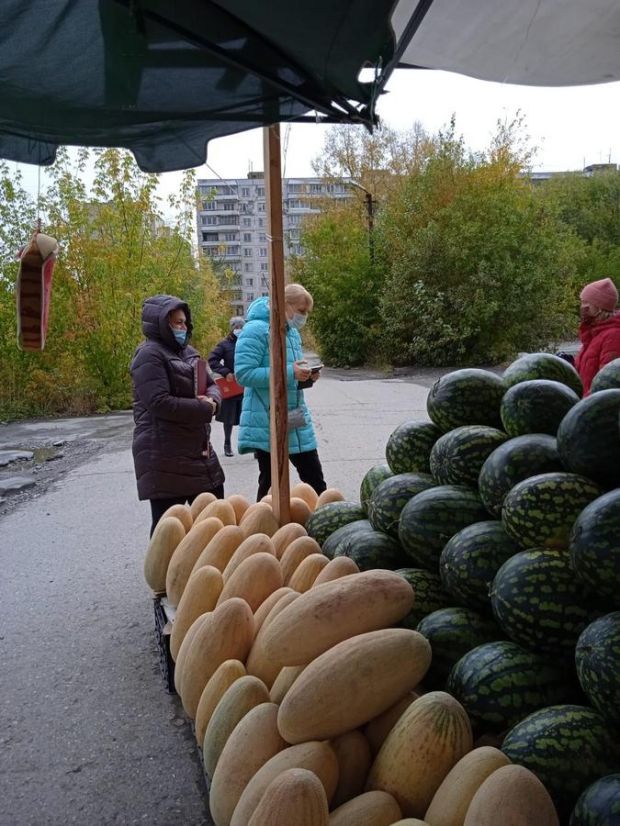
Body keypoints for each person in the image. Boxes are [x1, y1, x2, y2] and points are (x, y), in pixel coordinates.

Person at [130, 294, 225, 536]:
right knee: (168, 529)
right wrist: (203, 408)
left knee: (215, 519)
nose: (182, 327)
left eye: (184, 322)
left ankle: (206, 570)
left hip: (197, 451)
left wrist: (213, 400)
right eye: (176, 323)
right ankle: (167, 575)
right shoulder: (148, 355)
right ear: (160, 323)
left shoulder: (189, 352)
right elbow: (159, 403)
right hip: (164, 456)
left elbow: (211, 383)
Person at [234, 283, 327, 501]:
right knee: (270, 486)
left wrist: (305, 376)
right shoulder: (255, 330)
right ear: (285, 304)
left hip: (294, 415)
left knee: (316, 482)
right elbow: (244, 374)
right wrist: (289, 372)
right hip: (267, 418)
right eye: (301, 310)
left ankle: (326, 527)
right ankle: (264, 531)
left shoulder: (292, 333)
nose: (303, 316)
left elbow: (289, 374)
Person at [574, 277, 620, 395]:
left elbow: (607, 384)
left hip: (596, 409)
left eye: (586, 303)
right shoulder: (593, 334)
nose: (582, 307)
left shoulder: (614, 336)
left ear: (599, 307)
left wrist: (583, 407)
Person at [208, 316, 245, 457]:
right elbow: (213, 360)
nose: (239, 330)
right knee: (228, 418)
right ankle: (227, 444)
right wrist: (226, 372)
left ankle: (251, 445)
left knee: (248, 417)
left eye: (241, 327)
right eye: (236, 327)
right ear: (232, 329)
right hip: (231, 386)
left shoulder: (248, 342)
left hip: (247, 385)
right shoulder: (224, 344)